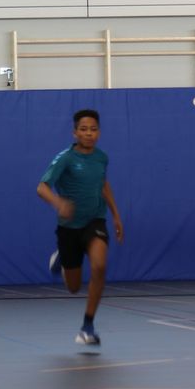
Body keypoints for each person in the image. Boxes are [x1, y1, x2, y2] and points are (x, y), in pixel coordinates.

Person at [37, 108, 123, 347]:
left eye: (93, 129)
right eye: (83, 129)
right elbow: (42, 187)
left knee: (99, 265)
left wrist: (116, 215)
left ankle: (87, 326)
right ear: (75, 133)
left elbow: (103, 184)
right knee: (74, 287)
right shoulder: (65, 158)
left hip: (95, 221)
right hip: (69, 228)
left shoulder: (101, 158)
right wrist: (59, 203)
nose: (89, 133)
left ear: (99, 132)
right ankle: (62, 260)